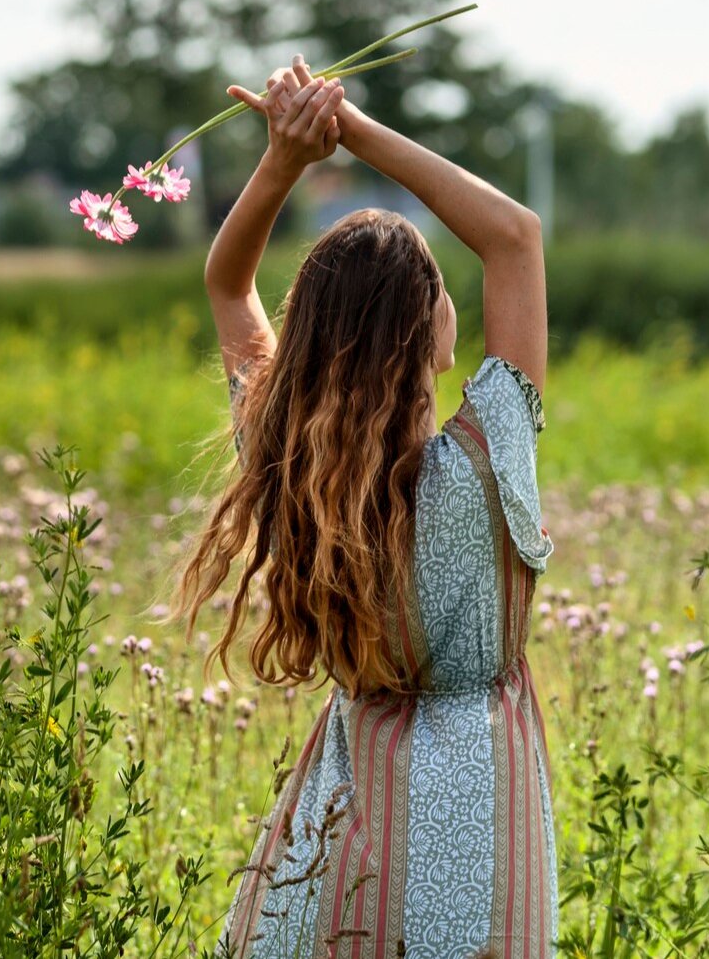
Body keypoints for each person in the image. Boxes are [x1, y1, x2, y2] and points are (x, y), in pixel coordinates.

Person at [166, 56, 557, 958]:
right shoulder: (487, 455)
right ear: (430, 329)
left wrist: (283, 159)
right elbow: (514, 237)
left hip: (344, 808)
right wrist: (351, 129)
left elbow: (227, 285)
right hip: (479, 808)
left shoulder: (288, 457)